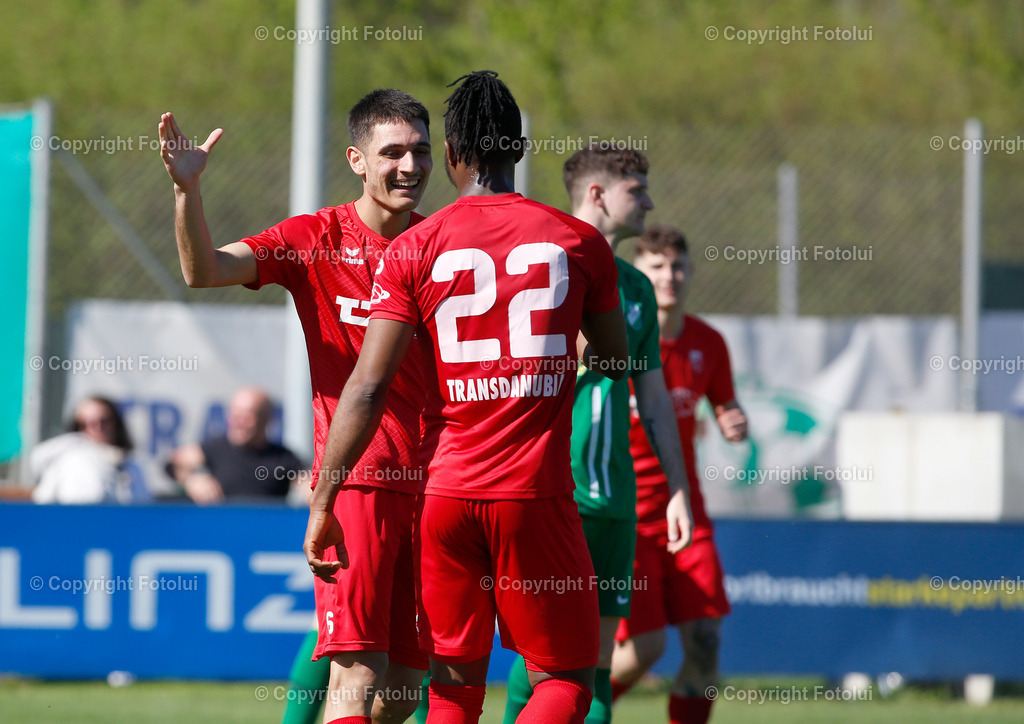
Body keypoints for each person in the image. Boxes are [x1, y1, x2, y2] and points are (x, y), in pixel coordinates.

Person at [305, 70, 645, 724]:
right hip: (535, 496)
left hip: (445, 498)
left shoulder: (412, 248)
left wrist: (324, 499)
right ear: (518, 149)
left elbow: (367, 386)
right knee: (565, 680)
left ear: (452, 153)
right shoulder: (577, 242)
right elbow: (613, 358)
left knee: (453, 688)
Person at [159, 87, 434, 724]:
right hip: (360, 482)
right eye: (391, 151)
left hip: (439, 485)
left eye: (420, 151)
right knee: (357, 667)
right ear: (357, 160)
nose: (409, 166)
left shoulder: (443, 245)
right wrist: (186, 192)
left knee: (409, 678)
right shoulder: (316, 238)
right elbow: (205, 271)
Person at [503, 147, 695, 724]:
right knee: (550, 656)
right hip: (552, 491)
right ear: (597, 195)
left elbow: (654, 398)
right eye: (636, 190)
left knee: (595, 660)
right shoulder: (540, 269)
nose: (650, 201)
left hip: (616, 497)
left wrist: (679, 487)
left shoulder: (635, 288)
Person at [610, 225, 748, 724]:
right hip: (626, 520)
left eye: (678, 265)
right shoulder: (613, 337)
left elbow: (726, 405)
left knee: (707, 643)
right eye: (657, 267)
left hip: (686, 515)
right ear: (637, 275)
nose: (671, 276)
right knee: (644, 651)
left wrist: (734, 420)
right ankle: (583, 709)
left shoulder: (708, 342)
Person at [167, 386, 307, 503]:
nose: (238, 422)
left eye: (247, 416)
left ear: (266, 419)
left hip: (265, 529)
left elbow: (310, 486)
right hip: (221, 528)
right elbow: (172, 463)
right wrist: (192, 479)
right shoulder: (215, 449)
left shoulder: (283, 458)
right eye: (235, 415)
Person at [30, 395, 148, 504]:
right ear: (78, 427)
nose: (98, 428)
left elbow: (142, 509)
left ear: (116, 422)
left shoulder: (131, 465)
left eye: (104, 421)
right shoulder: (71, 460)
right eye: (89, 423)